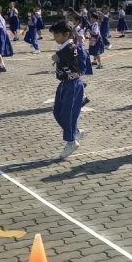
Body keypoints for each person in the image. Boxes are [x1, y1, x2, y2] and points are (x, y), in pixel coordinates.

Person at [50, 20, 84, 159]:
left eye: (57, 35)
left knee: (67, 114)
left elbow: (57, 57)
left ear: (66, 34)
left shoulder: (70, 47)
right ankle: (75, 131)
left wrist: (56, 57)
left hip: (72, 84)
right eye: (54, 35)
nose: (55, 38)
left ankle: (71, 141)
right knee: (57, 112)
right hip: (64, 83)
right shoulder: (65, 46)